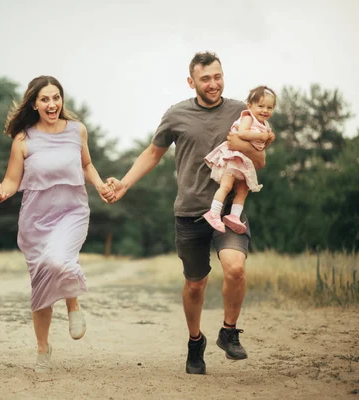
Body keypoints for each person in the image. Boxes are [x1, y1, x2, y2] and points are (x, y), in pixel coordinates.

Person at [104, 52, 275, 375]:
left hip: (228, 212)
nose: (213, 84)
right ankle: (195, 341)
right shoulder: (177, 114)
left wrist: (244, 143)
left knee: (235, 268)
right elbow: (153, 153)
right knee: (195, 285)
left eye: (218, 76)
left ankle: (229, 331)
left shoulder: (243, 113)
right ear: (191, 82)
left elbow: (261, 162)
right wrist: (124, 184)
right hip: (189, 211)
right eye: (206, 78)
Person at [0, 76, 113, 373]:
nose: (52, 104)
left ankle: (73, 305)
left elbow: (86, 164)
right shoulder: (23, 139)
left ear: (62, 100)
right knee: (41, 285)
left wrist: (98, 185)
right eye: (45, 99)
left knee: (59, 260)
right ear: (34, 103)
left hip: (72, 210)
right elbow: (11, 180)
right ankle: (43, 350)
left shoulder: (76, 130)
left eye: (56, 98)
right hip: (35, 218)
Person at [203, 86, 277, 234]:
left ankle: (234, 216)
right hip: (234, 157)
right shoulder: (248, 117)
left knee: (243, 190)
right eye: (260, 106)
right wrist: (261, 136)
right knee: (226, 186)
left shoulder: (265, 126)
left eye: (269, 107)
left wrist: (268, 140)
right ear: (250, 106)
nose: (265, 110)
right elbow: (242, 133)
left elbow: (260, 148)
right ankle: (213, 213)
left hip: (246, 161)